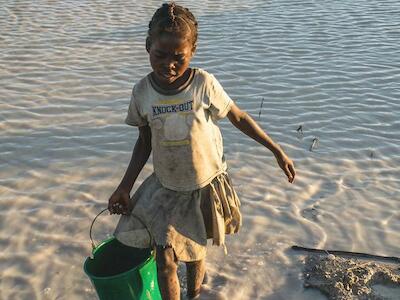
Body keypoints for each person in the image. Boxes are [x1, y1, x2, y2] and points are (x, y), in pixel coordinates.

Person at [108, 2, 296, 299]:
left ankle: (196, 293)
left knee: (195, 251)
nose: (168, 64)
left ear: (192, 51)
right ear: (147, 46)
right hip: (167, 186)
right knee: (166, 258)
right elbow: (144, 141)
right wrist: (125, 186)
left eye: (178, 58)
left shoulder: (203, 84)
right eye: (160, 54)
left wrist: (276, 151)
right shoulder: (142, 92)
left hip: (204, 184)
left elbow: (239, 117)